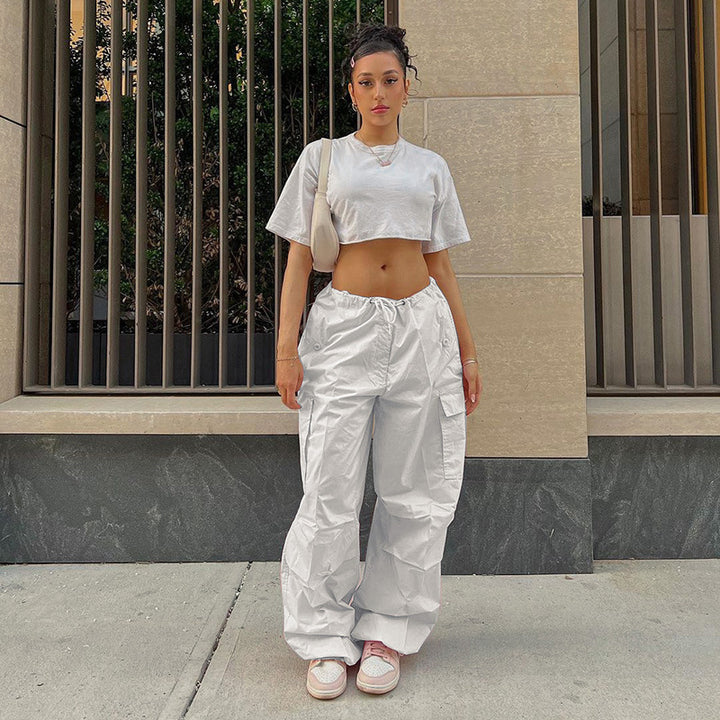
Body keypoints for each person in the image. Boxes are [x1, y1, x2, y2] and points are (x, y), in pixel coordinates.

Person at [265, 20, 482, 700]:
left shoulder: (430, 167)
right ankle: (324, 635)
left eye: (390, 80)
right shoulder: (324, 158)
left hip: (422, 327)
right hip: (344, 328)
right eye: (367, 82)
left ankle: (388, 627)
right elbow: (301, 257)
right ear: (351, 90)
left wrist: (468, 353)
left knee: (411, 487)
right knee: (330, 483)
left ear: (407, 88)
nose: (379, 92)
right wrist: (286, 351)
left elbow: (441, 263)